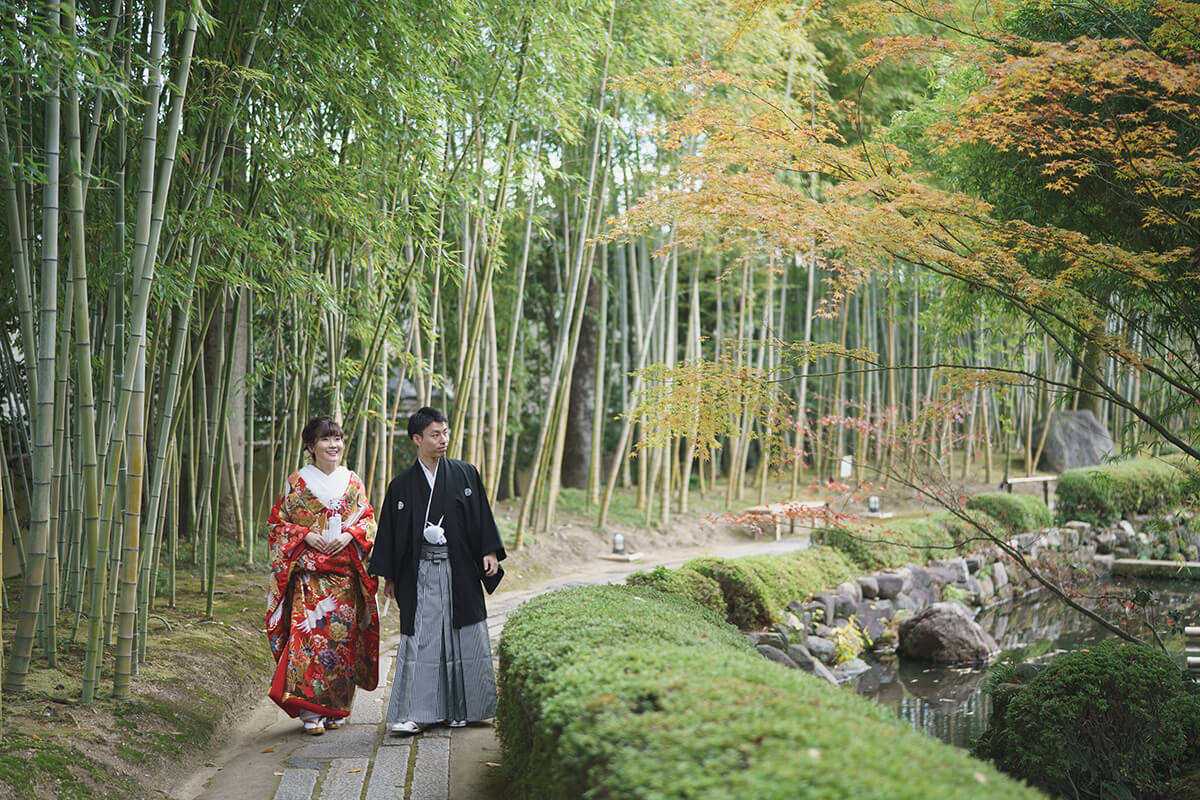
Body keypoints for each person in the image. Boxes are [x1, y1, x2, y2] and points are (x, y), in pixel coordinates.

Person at [370, 406, 506, 735]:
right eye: (435, 434)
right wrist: (389, 576)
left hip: (459, 567)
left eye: (445, 433)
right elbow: (391, 532)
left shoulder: (465, 473)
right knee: (423, 639)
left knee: (466, 635)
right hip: (421, 574)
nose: (443, 439)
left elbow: (480, 515)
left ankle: (466, 708)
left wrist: (489, 551)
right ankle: (419, 712)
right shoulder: (401, 485)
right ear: (417, 439)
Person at [266, 415, 380, 736]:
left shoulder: (352, 480)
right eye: (326, 440)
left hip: (344, 575)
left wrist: (351, 534)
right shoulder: (297, 483)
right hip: (309, 575)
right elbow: (277, 525)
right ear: (310, 446)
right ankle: (308, 710)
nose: (334, 445)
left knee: (341, 644)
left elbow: (368, 519)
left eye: (338, 439)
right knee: (308, 638)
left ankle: (337, 706)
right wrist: (304, 536)